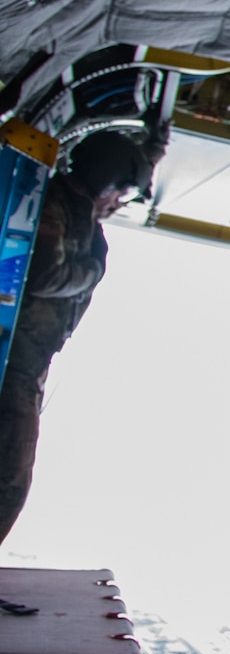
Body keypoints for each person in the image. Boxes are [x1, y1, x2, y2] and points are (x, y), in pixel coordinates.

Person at [0, 129, 153, 543]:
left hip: (26, 357)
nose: (118, 203)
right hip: (18, 358)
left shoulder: (74, 211)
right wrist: (93, 271)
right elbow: (45, 274)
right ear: (106, 182)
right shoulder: (56, 206)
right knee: (10, 476)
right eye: (120, 192)